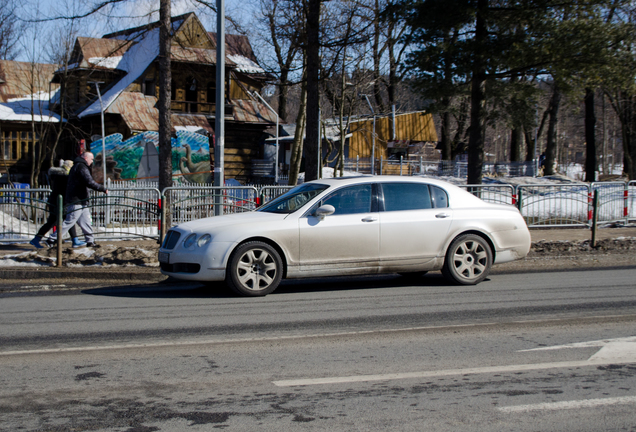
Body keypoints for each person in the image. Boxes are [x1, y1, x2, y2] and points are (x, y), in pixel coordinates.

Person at [49, 152, 108, 247]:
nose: (92, 161)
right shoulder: (81, 166)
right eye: (91, 159)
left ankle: (90, 241)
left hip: (81, 199)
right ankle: (52, 239)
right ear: (86, 158)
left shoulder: (78, 165)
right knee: (70, 221)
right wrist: (102, 188)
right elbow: (89, 181)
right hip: (76, 199)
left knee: (86, 222)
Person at [30, 160, 85, 248]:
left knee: (65, 220)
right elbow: (65, 190)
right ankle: (39, 239)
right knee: (62, 221)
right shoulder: (64, 177)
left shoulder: (57, 175)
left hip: (55, 201)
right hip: (59, 201)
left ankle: (74, 240)